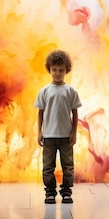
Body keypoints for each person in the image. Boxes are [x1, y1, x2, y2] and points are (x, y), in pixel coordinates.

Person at [34, 49, 82, 204]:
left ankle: (67, 192)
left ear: (66, 70)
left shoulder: (71, 91)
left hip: (66, 137)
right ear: (49, 69)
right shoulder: (44, 91)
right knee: (48, 167)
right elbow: (40, 113)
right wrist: (39, 132)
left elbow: (75, 114)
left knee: (68, 167)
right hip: (48, 136)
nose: (57, 73)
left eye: (61, 70)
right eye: (54, 70)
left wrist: (74, 133)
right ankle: (50, 193)